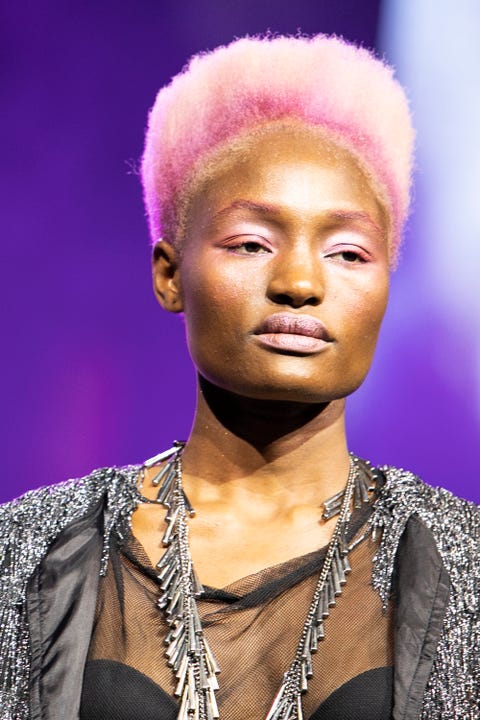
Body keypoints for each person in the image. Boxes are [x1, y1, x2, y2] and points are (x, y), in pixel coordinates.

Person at [0, 34, 478, 720]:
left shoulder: (464, 566)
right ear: (170, 274)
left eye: (348, 252)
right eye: (252, 243)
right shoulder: (28, 554)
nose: (301, 282)